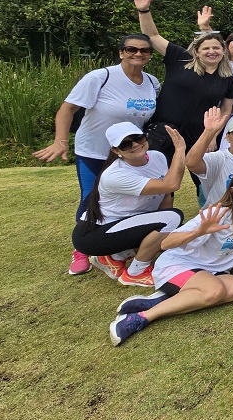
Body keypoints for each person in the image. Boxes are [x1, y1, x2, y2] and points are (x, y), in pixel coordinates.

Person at [109, 170, 233, 346]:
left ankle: (161, 300)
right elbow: (166, 243)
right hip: (178, 265)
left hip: (211, 271)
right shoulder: (216, 213)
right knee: (214, 292)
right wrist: (199, 231)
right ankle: (141, 318)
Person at [35, 33, 160, 276]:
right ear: (121, 52)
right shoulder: (100, 77)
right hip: (94, 151)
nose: (138, 54)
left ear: (149, 56)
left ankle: (122, 244)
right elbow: (67, 109)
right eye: (131, 49)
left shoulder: (152, 82)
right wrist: (60, 141)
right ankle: (83, 250)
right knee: (91, 199)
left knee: (126, 199)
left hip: (128, 153)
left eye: (144, 50)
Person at [130, 0, 233, 162]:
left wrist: (211, 135)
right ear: (196, 51)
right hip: (163, 132)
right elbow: (152, 35)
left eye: (216, 48)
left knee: (204, 181)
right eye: (206, 48)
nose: (211, 51)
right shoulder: (181, 59)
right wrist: (144, 10)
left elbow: (226, 110)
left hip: (199, 135)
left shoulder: (228, 79)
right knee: (157, 176)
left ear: (224, 51)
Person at [73, 122, 187, 288]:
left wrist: (168, 230)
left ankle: (115, 257)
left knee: (178, 230)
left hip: (125, 225)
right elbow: (172, 184)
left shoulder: (158, 157)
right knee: (174, 216)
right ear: (115, 150)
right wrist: (179, 150)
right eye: (125, 144)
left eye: (138, 138)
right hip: (93, 234)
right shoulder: (115, 175)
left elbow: (166, 194)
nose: (135, 145)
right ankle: (136, 273)